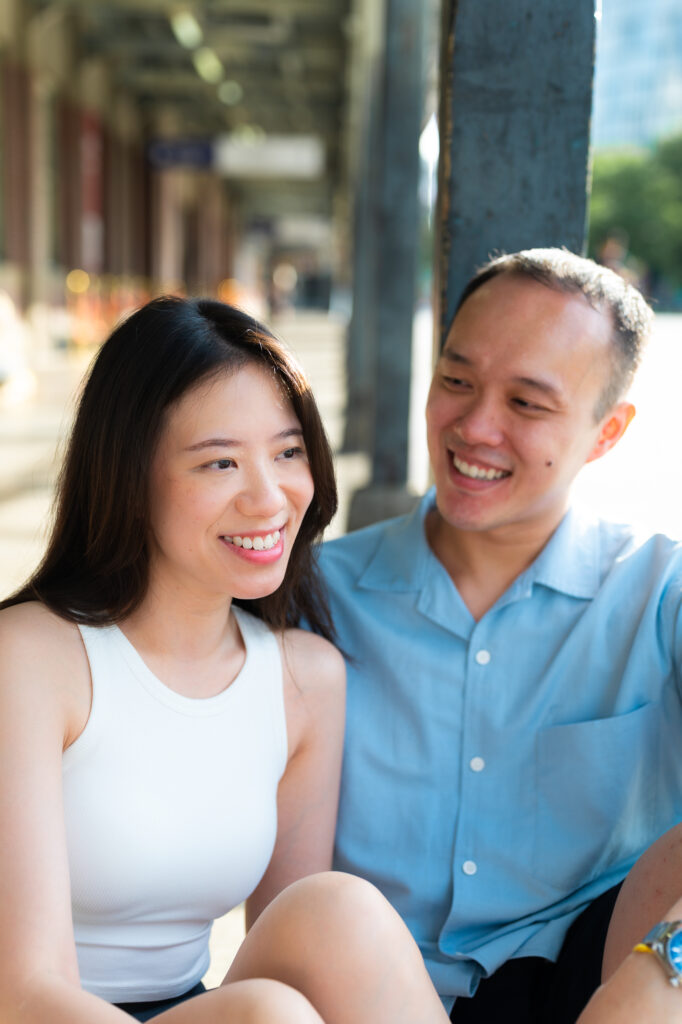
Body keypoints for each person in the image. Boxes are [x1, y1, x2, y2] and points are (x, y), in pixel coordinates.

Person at [0, 296, 452, 1024]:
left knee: (336, 910)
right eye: (219, 462)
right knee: (269, 1017)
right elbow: (21, 992)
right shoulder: (31, 657)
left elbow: (295, 946)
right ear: (128, 474)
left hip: (200, 1012)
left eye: (288, 451)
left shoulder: (305, 679)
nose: (269, 498)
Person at [318, 248, 682, 1022]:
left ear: (606, 433)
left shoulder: (661, 591)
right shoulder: (316, 595)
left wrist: (666, 971)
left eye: (526, 403)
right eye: (456, 381)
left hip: (593, 988)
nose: (475, 426)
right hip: (365, 991)